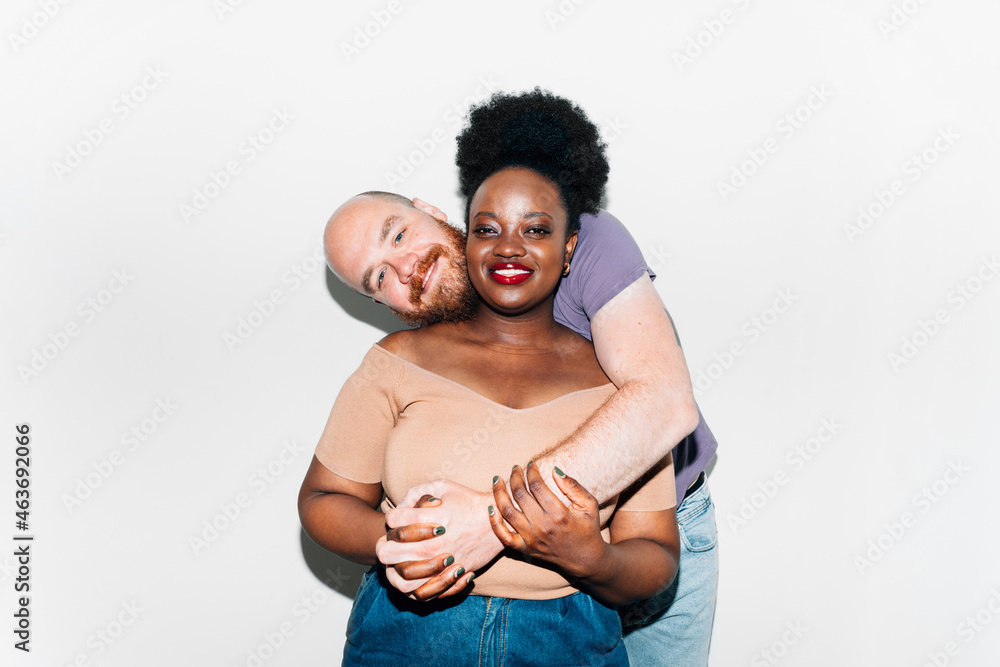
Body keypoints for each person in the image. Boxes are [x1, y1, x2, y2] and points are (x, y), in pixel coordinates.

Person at [321, 89, 720, 665]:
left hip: (663, 515)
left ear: (431, 211)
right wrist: (404, 537)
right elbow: (329, 497)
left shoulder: (588, 242)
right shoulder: (403, 357)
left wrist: (491, 526)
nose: (405, 268)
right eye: (378, 278)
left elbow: (661, 404)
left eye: (399, 235)